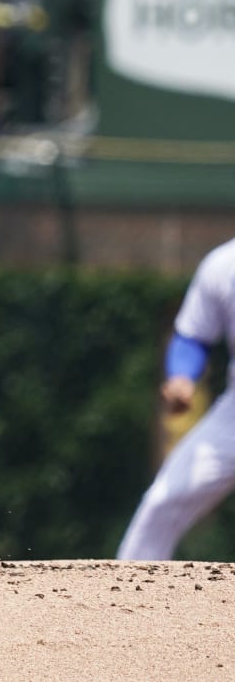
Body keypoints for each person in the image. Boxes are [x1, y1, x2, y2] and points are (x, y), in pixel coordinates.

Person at [118, 236, 235, 560]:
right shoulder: (224, 265)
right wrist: (182, 376)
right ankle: (124, 598)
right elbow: (193, 336)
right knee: (163, 501)